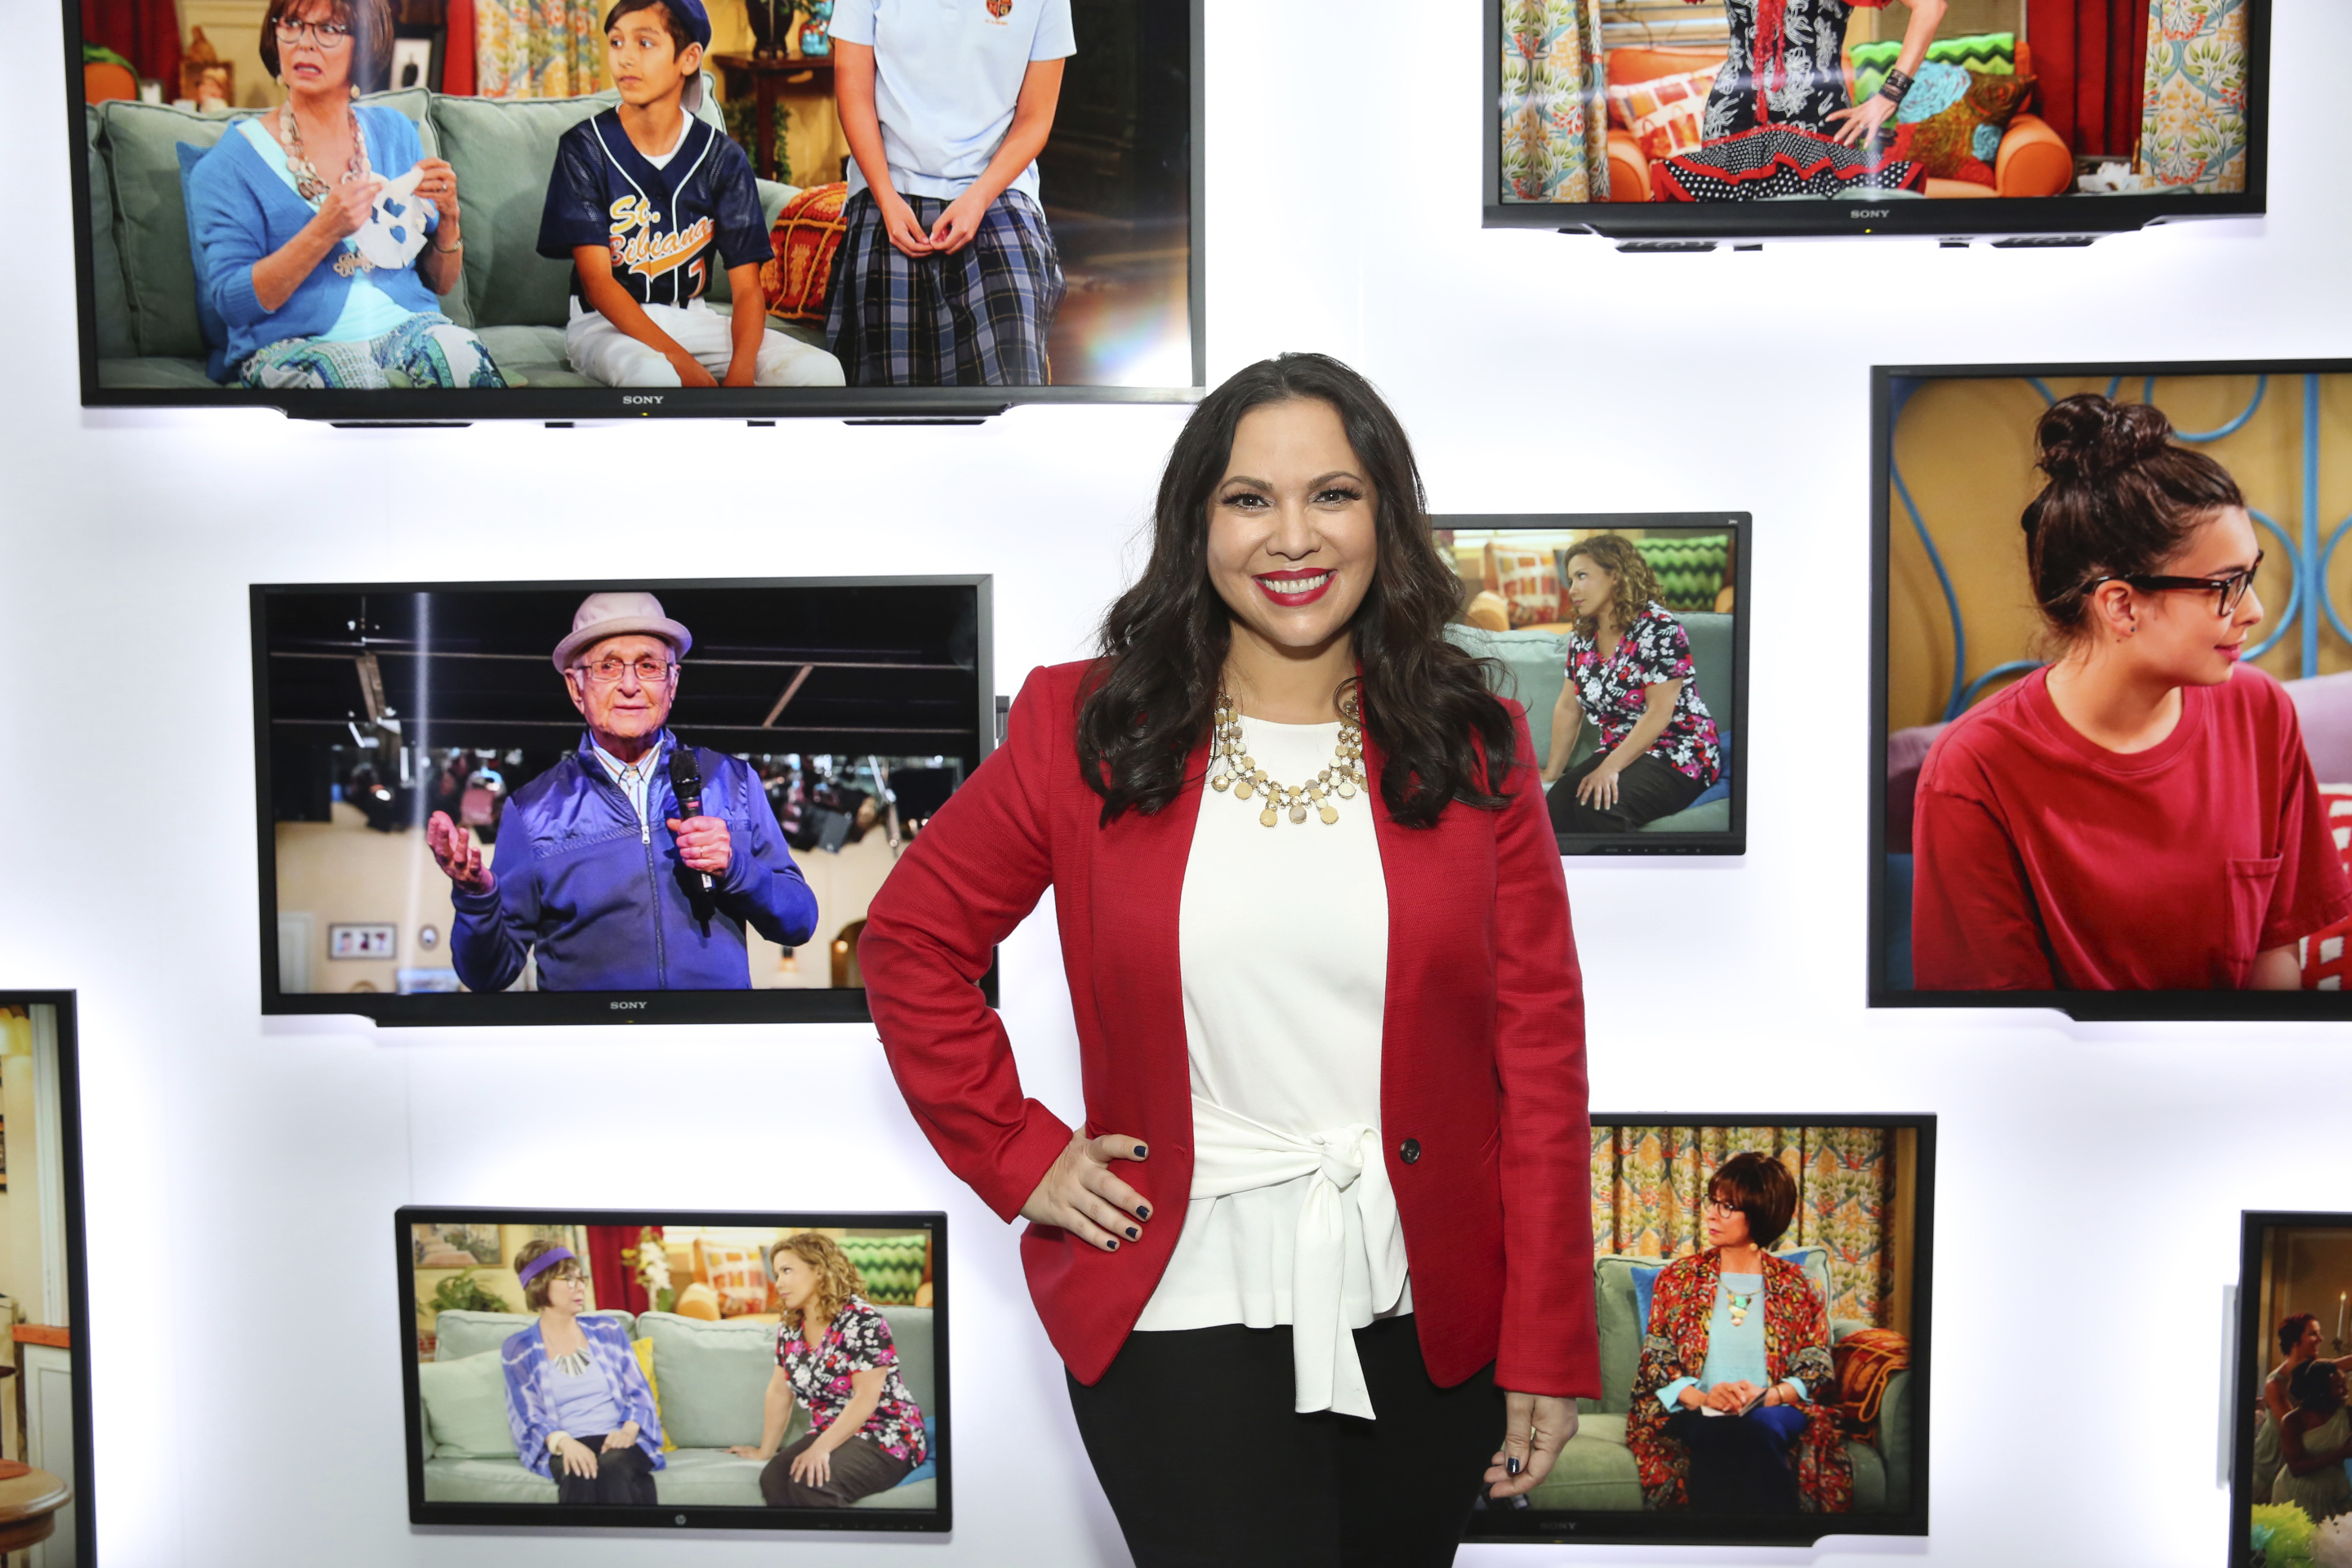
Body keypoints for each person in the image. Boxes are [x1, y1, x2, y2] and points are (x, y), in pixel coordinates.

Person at [859, 352, 1597, 1567]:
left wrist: (1552, 1338)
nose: (1292, 536)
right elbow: (911, 941)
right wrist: (1017, 1151)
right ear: (1197, 521)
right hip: (1176, 1302)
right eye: (1250, 498)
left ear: (1387, 518)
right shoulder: (1081, 725)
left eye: (1335, 495)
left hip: (1429, 1313)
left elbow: (1540, 1058)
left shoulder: (1479, 742)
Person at [1912, 395, 2352, 991]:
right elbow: (1998, 1032)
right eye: (2226, 586)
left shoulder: (2259, 709)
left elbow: (2275, 959)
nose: (2255, 610)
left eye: (2251, 575)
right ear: (2121, 604)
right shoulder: (1973, 771)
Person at [425, 590, 818, 990]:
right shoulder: (532, 810)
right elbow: (487, 976)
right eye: (608, 666)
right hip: (591, 1046)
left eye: (648, 666)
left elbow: (799, 921)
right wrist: (477, 897)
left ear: (672, 682)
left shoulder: (732, 782)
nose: (630, 685)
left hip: (712, 1042)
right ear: (576, 688)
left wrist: (737, 867)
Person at [185, 0, 503, 388]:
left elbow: (441, 284)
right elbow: (233, 304)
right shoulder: (229, 163)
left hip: (407, 325)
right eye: (292, 24)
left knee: (462, 355)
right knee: (352, 381)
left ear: (364, 46)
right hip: (290, 343)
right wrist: (323, 231)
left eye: (329, 29)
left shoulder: (394, 132)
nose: (305, 43)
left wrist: (449, 219)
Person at [537, 0, 844, 388]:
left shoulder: (722, 158)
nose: (625, 58)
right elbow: (597, 283)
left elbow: (748, 289)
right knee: (655, 377)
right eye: (616, 43)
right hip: (605, 327)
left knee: (821, 371)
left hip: (693, 320)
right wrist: (682, 364)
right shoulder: (584, 148)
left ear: (689, 57)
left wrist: (742, 375)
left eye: (644, 43)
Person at [823, 0, 1073, 385]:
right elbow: (852, 90)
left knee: (1010, 300)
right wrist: (887, 198)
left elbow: (1035, 117)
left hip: (997, 183)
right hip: (888, 182)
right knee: (886, 318)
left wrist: (978, 198)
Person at [1626, 1152, 1847, 1515]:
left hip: (1773, 1410)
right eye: (1712, 1202)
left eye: (1727, 1206)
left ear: (1760, 1212)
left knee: (1757, 1428)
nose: (1711, 1214)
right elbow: (1656, 1360)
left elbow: (1816, 1363)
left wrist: (1770, 1397)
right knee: (1720, 1433)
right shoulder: (1679, 1279)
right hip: (1695, 1411)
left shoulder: (1799, 1285)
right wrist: (1704, 1399)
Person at [728, 1233, 929, 1507]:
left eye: (787, 1271)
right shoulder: (790, 1327)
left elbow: (866, 1398)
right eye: (777, 1273)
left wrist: (821, 1449)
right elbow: (779, 1392)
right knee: (773, 1479)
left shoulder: (863, 1321)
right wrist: (765, 1451)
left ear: (819, 1270)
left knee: (812, 1484)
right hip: (830, 1429)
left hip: (886, 1433)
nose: (780, 1283)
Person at [1540, 534, 1722, 833]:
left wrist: (1609, 768)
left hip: (1679, 750)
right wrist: (1552, 772)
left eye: (1582, 576)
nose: (1572, 589)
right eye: (1571, 579)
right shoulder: (1582, 638)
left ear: (1615, 576)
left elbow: (1660, 712)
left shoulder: (1660, 629)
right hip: (1620, 747)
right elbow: (1568, 708)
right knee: (1556, 806)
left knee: (1600, 807)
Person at [500, 1240, 665, 1505]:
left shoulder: (607, 1330)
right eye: (567, 1279)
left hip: (619, 1439)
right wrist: (565, 1443)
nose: (579, 1287)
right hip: (567, 1442)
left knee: (612, 1467)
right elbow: (529, 1415)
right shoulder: (519, 1348)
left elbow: (639, 1394)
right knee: (578, 1472)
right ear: (540, 1284)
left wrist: (628, 1431)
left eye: (580, 1278)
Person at [1698, 0, 1947, 148]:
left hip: (1816, 114)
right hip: (1731, 114)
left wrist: (1891, 93)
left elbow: (1931, 6)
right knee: (1732, 230)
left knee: (1812, 228)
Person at [2274, 1357, 2352, 1522]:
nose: (2346, 1390)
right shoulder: (2293, 1421)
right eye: (2339, 1386)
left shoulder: (2347, 1415)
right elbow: (2296, 1467)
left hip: (2334, 1492)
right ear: (2321, 1389)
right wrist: (2341, 1453)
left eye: (2346, 1383)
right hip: (2296, 1494)